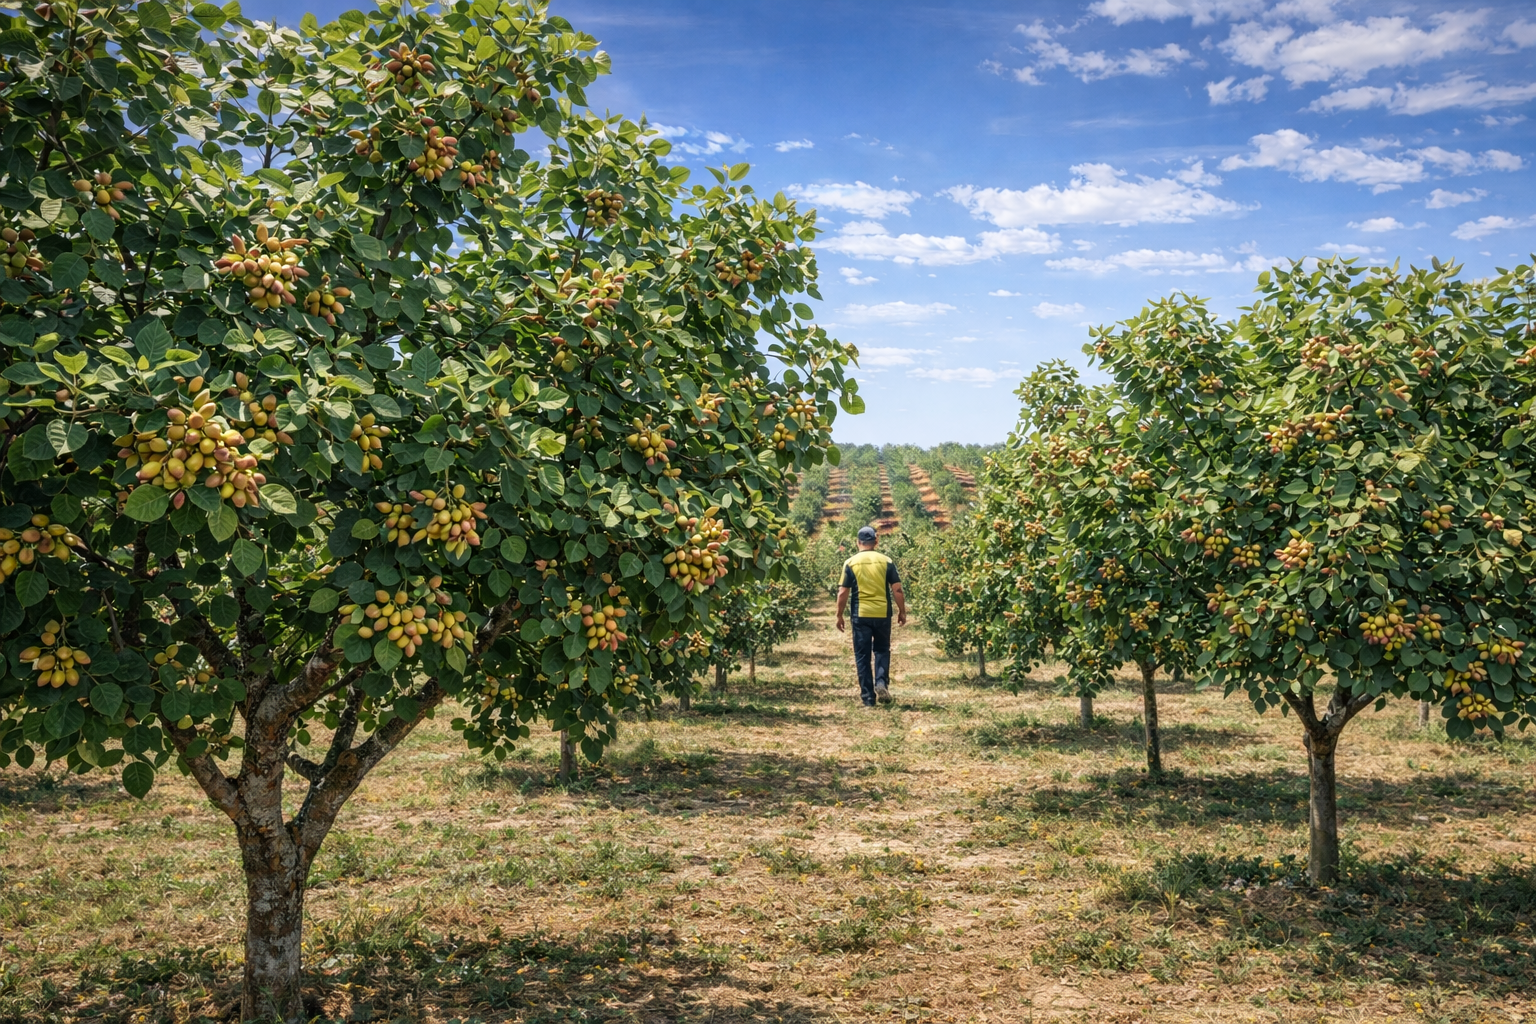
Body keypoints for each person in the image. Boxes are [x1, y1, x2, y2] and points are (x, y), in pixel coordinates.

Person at [835, 524, 906, 706]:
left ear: (857, 542)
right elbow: (897, 589)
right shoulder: (886, 561)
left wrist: (839, 615)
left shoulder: (851, 563)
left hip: (861, 614)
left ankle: (868, 697)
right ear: (876, 541)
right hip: (882, 613)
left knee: (862, 654)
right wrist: (902, 611)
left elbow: (843, 592)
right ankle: (881, 683)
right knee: (882, 649)